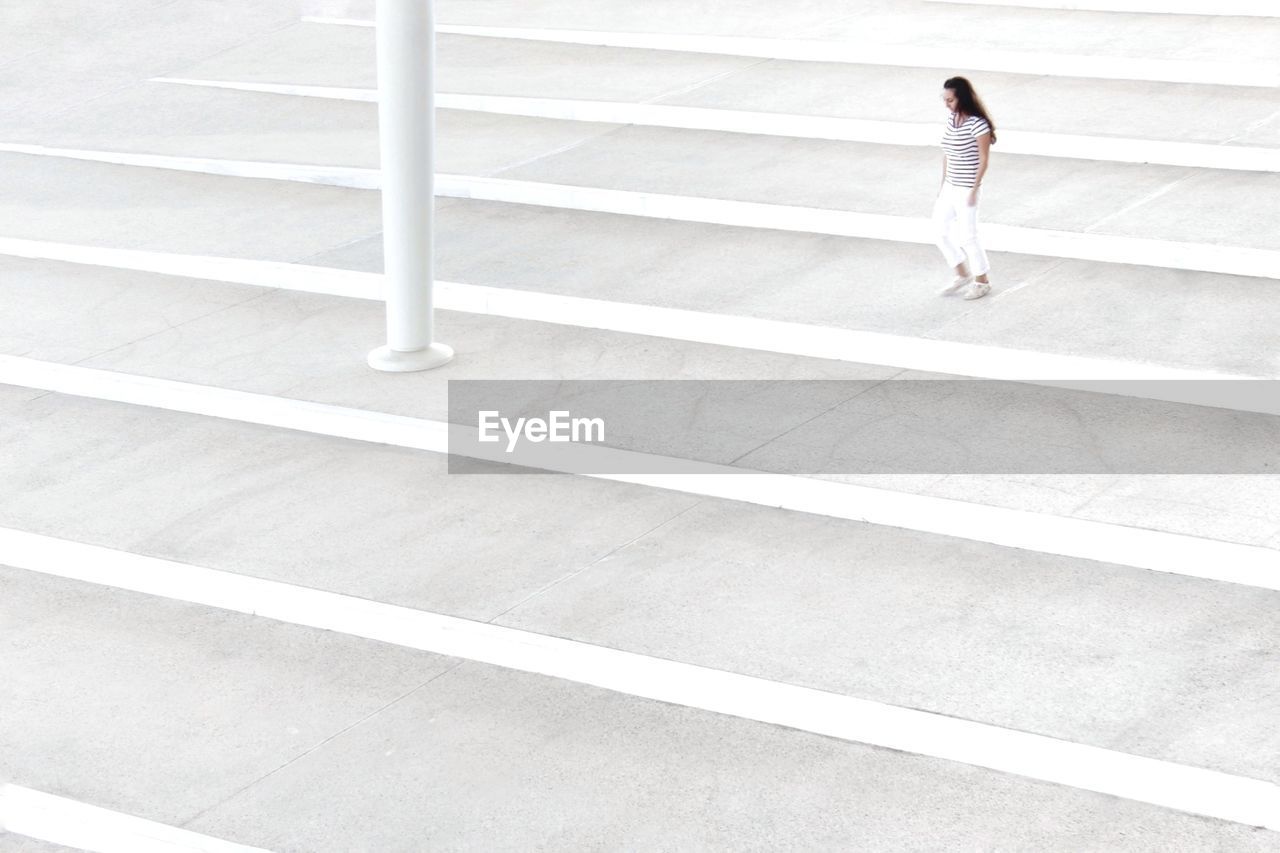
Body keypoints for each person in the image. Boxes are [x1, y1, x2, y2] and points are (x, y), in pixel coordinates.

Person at [934, 76, 996, 300]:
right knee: (939, 231)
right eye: (945, 100)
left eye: (950, 100)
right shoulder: (952, 119)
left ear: (963, 98)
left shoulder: (979, 124)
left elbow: (983, 159)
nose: (947, 104)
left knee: (968, 237)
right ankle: (962, 274)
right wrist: (942, 185)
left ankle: (982, 281)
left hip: (967, 187)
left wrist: (974, 188)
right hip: (950, 186)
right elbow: (947, 153)